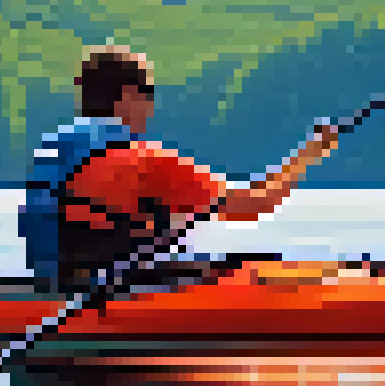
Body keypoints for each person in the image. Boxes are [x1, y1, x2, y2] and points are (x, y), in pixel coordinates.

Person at [22, 46, 339, 294]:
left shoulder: (58, 150)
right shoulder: (145, 161)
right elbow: (255, 205)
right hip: (117, 290)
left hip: (60, 283)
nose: (151, 105)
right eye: (148, 92)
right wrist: (311, 154)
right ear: (128, 97)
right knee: (248, 267)